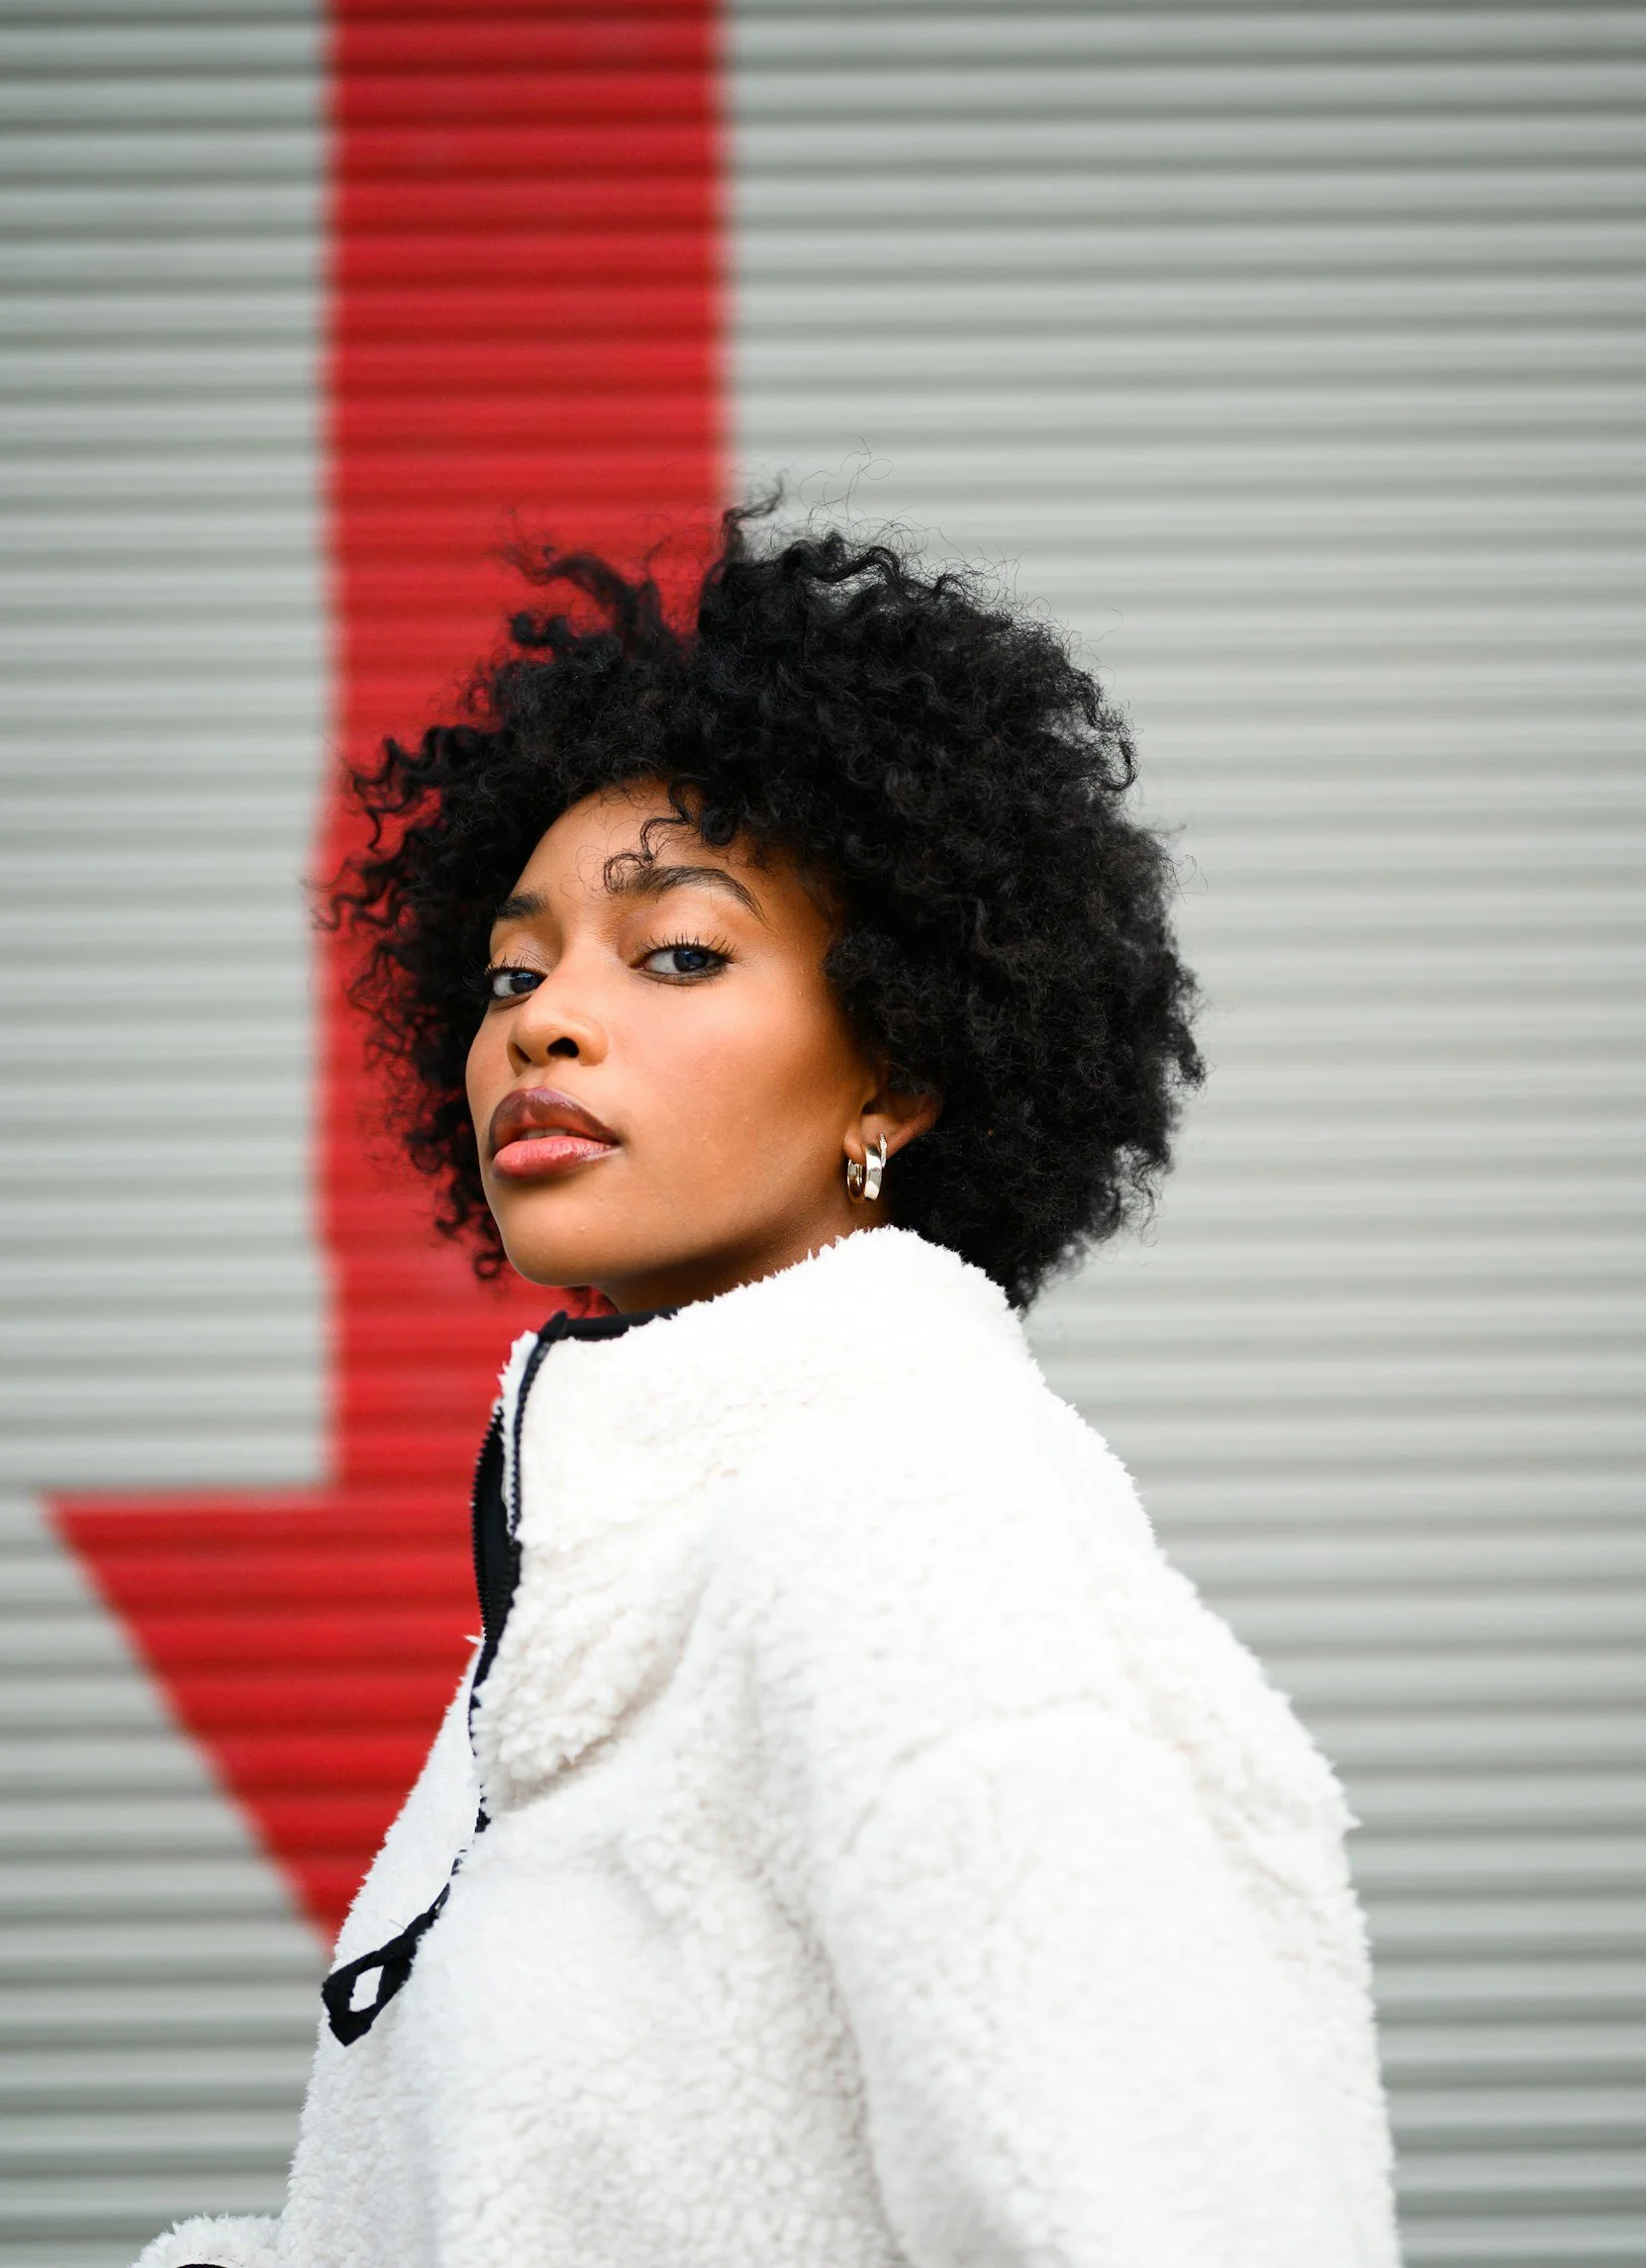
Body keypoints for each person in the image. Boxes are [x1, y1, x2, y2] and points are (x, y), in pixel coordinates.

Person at [139, 517, 1398, 2268]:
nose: (542, 1023)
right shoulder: (595, 1591)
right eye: (512, 970)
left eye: (674, 955)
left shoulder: (912, 1543)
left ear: (894, 1066)